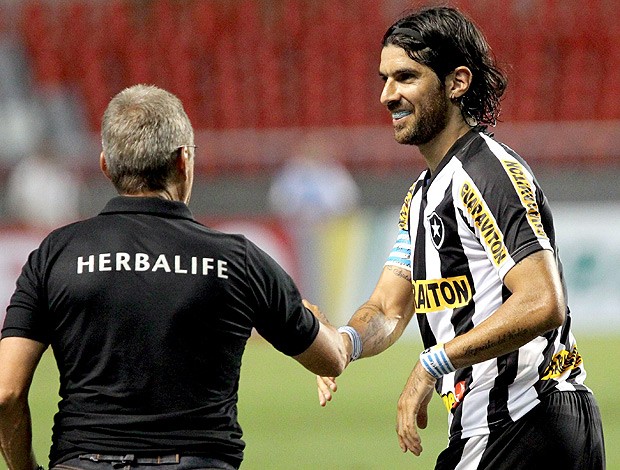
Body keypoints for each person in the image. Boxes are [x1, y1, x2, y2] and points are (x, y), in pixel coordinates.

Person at [0, 84, 347, 470]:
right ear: (184, 161)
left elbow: (6, 392)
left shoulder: (55, 254)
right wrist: (320, 324)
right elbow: (330, 357)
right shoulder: (239, 259)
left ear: (105, 165)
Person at [317, 6, 605, 469]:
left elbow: (541, 301)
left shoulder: (487, 174)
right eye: (384, 78)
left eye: (406, 77)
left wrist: (434, 363)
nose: (387, 95)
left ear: (457, 83)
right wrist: (344, 343)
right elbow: (390, 308)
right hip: (496, 427)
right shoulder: (421, 196)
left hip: (525, 418)